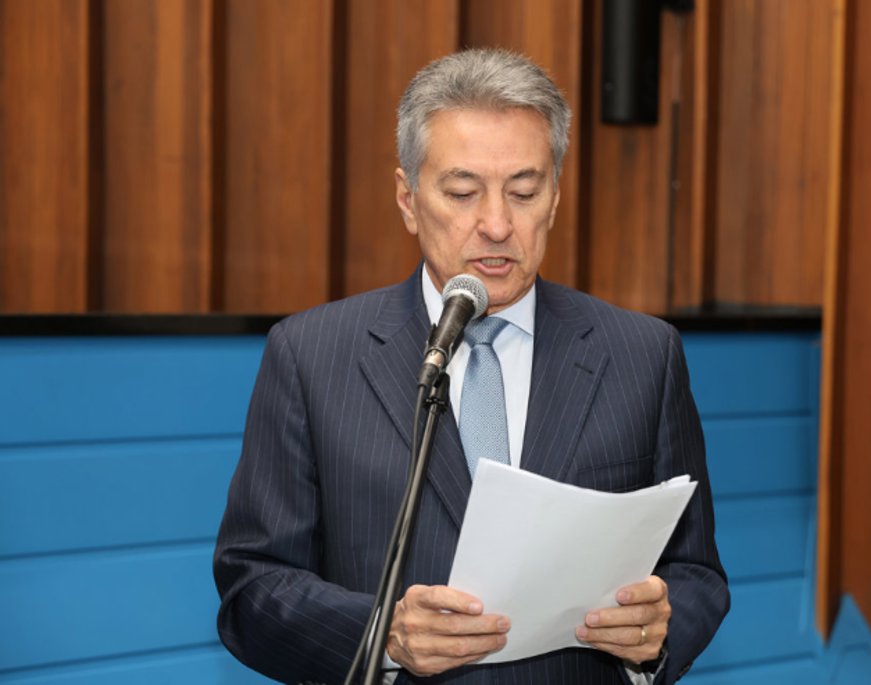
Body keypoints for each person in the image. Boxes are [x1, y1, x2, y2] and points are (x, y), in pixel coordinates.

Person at [214, 48, 729, 684]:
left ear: (556, 197)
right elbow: (251, 588)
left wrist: (656, 631)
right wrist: (384, 634)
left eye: (524, 191)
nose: (495, 224)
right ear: (407, 199)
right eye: (462, 192)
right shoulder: (311, 355)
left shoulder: (643, 354)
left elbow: (696, 572)